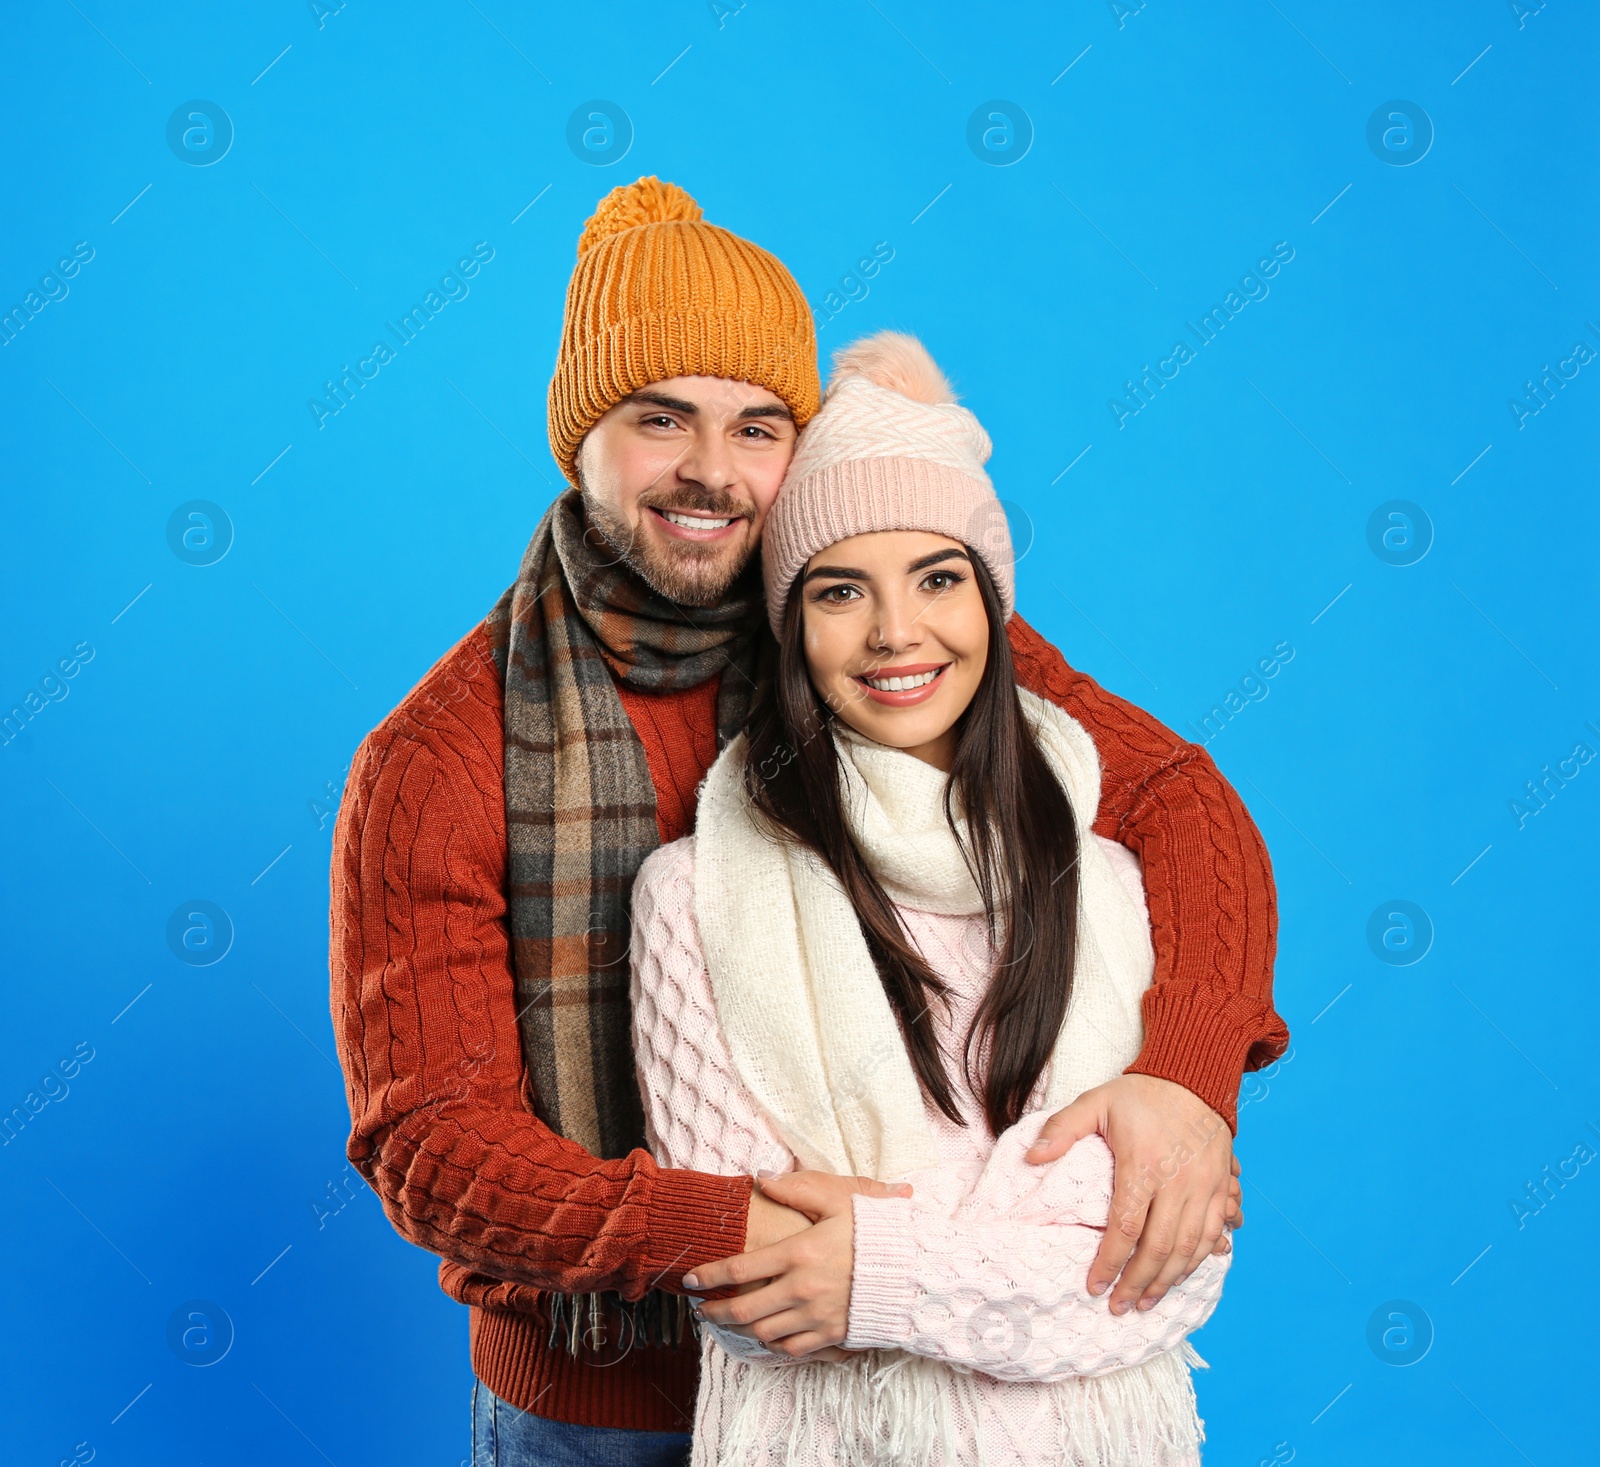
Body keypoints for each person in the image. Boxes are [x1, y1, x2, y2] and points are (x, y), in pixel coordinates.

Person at [328, 178, 1287, 1464]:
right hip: (600, 1411)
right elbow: (434, 1145)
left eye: (759, 426)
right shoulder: (438, 760)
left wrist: (1184, 1077)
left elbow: (1178, 802)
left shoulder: (851, 623)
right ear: (579, 436)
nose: (713, 473)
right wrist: (745, 1241)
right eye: (660, 419)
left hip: (922, 1392)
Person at [629, 332, 1238, 1465]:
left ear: (993, 606)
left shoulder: (1104, 883)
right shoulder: (695, 899)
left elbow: (1171, 1273)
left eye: (938, 578)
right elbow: (743, 1281)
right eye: (841, 590)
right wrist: (1030, 1247)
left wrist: (879, 1269)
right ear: (792, 629)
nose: (896, 632)